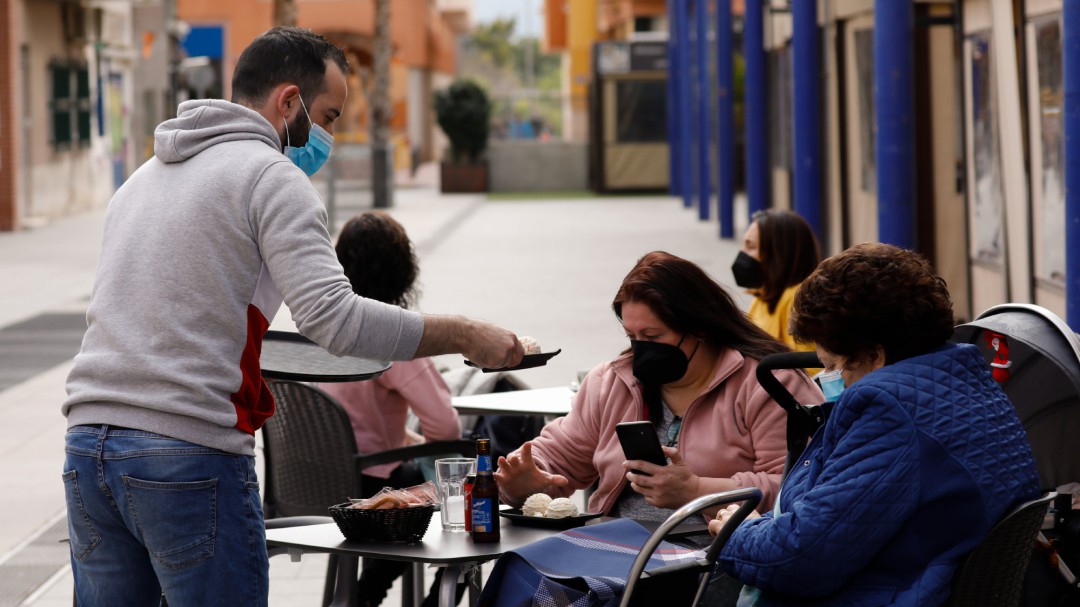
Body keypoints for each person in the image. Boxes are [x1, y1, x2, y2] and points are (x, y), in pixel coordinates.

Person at [60, 27, 523, 607]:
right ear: (289, 101)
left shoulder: (140, 181)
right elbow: (335, 322)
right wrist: (465, 333)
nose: (328, 136)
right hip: (188, 451)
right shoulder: (271, 176)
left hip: (88, 448)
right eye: (327, 116)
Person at [711, 243, 1041, 607]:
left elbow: (798, 558)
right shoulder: (964, 382)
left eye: (833, 365)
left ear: (875, 355)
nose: (829, 378)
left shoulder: (889, 411)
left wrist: (736, 531)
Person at [495, 251, 824, 522]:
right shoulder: (612, 382)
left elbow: (801, 488)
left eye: (652, 336)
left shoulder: (771, 384)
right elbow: (558, 455)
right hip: (617, 550)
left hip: (717, 558)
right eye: (632, 336)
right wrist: (525, 480)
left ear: (700, 328)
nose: (640, 349)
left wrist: (696, 491)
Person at [315, 211, 463, 607]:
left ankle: (359, 596)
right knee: (468, 485)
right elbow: (446, 429)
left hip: (311, 482)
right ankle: (399, 597)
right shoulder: (396, 337)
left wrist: (404, 437)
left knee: (411, 476)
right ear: (404, 270)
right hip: (369, 490)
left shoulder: (318, 328)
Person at [732, 209, 820, 353]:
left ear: (777, 253)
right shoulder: (763, 295)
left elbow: (806, 363)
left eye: (751, 246)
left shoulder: (797, 301)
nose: (743, 253)